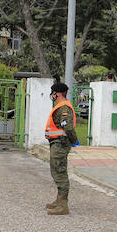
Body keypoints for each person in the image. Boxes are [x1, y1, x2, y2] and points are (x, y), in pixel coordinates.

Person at [44, 79, 79, 215]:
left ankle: (63, 205)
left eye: (52, 93)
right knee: (56, 171)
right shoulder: (59, 106)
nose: (51, 95)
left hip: (60, 143)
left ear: (57, 94)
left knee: (60, 172)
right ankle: (59, 201)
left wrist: (74, 140)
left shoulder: (64, 107)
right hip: (56, 143)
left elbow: (68, 126)